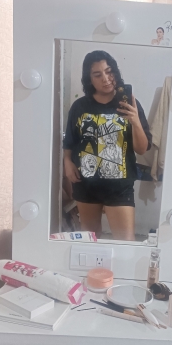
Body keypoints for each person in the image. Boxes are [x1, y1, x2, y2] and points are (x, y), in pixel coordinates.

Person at [63, 50, 152, 241]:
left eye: (109, 71)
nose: (106, 78)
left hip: (119, 186)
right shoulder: (80, 106)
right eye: (97, 74)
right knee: (90, 240)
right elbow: (70, 139)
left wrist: (135, 120)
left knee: (125, 242)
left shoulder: (130, 103)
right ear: (89, 79)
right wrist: (67, 162)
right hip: (86, 183)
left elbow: (142, 149)